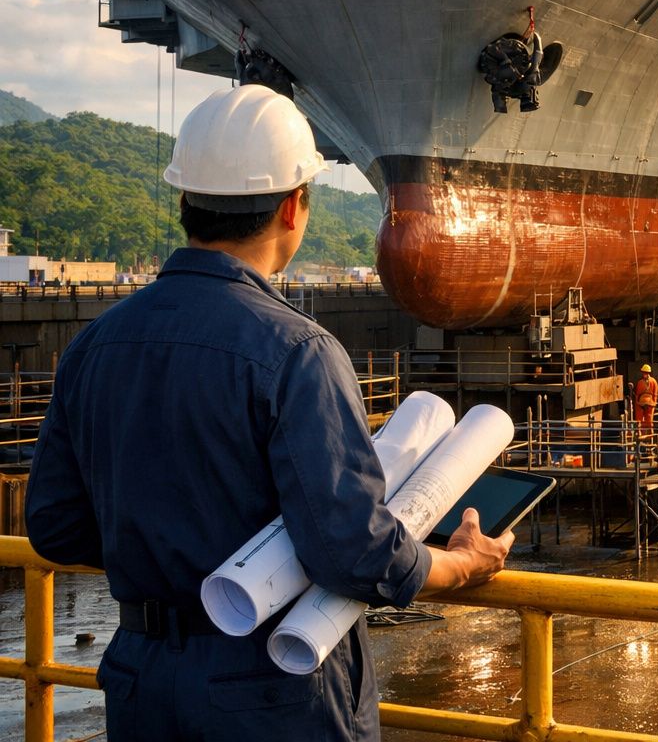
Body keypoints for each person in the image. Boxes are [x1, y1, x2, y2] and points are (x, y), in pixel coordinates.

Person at [25, 85, 511, 742]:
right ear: (292, 206)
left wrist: (166, 553)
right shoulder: (298, 351)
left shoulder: (94, 346)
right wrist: (459, 565)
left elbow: (55, 528)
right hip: (274, 685)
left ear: (184, 202)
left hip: (141, 680)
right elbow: (352, 551)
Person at [633, 363, 658, 435]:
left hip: (642, 402)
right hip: (650, 402)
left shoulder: (640, 382)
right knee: (649, 418)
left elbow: (637, 394)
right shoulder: (654, 381)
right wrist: (654, 402)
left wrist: (636, 402)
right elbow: (655, 393)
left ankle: (640, 431)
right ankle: (650, 432)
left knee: (639, 416)